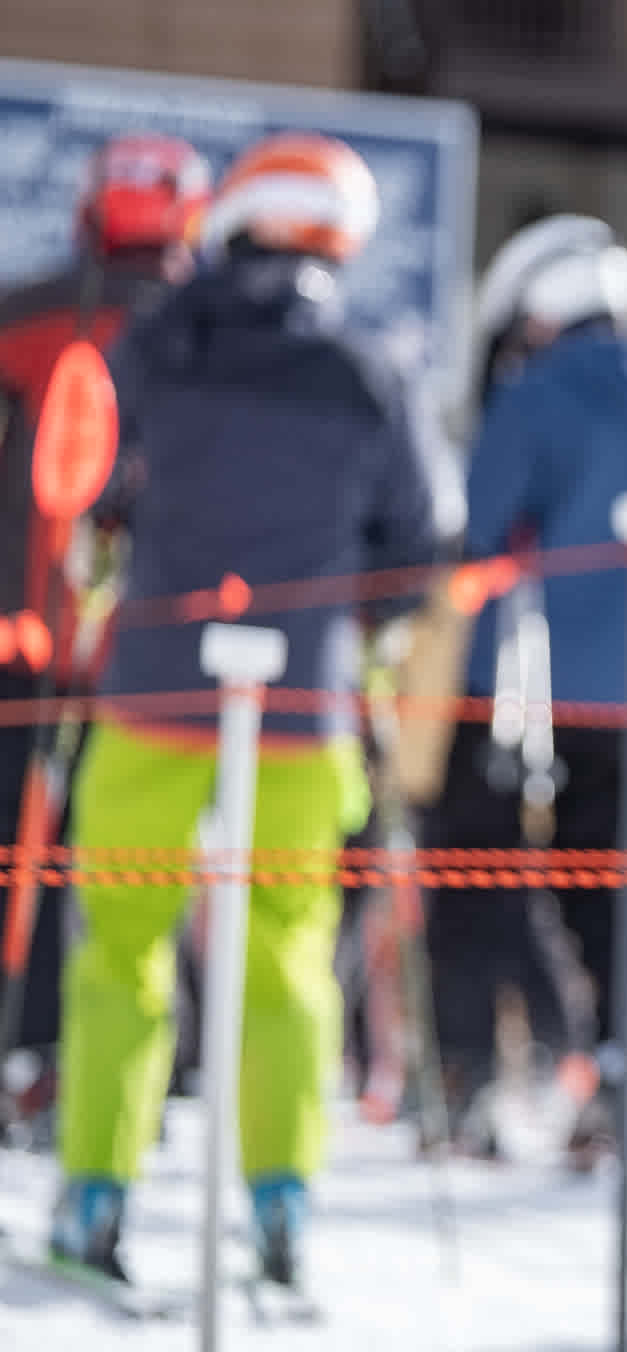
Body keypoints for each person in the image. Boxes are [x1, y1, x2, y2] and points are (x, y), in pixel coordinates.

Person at [51, 132, 449, 1287]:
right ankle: (281, 1207)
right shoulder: (373, 370)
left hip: (152, 690)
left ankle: (95, 1194)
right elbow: (416, 553)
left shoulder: (159, 340)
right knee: (288, 954)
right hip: (302, 703)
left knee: (121, 950)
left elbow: (92, 481)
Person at [422, 213, 627, 1158]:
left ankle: (467, 1081)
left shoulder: (538, 395)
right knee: (610, 893)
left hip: (514, 686)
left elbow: (479, 527)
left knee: (471, 879)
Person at [0, 132, 209, 1138]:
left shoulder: (30, 313)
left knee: (28, 849)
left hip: (31, 641)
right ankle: (136, 1069)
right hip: (159, 652)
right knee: (136, 863)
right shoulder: (212, 334)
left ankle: (37, 1055)